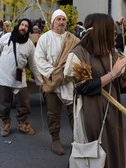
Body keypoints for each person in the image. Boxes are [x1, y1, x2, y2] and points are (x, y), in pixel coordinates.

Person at [64, 13, 126, 168]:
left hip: (112, 111)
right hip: (92, 112)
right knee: (95, 152)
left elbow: (118, 88)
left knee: (113, 149)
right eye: (111, 30)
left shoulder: (111, 52)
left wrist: (125, 75)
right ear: (101, 31)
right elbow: (83, 88)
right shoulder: (78, 53)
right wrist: (113, 73)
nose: (114, 34)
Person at [34, 9, 79, 155]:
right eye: (58, 19)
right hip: (52, 81)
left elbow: (79, 58)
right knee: (53, 113)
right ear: (53, 22)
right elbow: (39, 59)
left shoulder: (73, 39)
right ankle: (56, 140)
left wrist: (68, 72)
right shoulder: (45, 38)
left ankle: (78, 140)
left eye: (63, 19)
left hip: (69, 81)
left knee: (75, 113)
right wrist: (54, 73)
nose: (61, 22)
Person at [0, 18, 43, 137]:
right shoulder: (6, 38)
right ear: (18, 26)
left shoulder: (30, 44)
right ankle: (5, 124)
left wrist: (39, 81)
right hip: (2, 77)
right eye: (22, 24)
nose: (23, 27)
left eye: (26, 26)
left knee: (24, 103)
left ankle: (23, 124)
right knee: (3, 103)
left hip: (20, 79)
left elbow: (33, 64)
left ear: (28, 29)